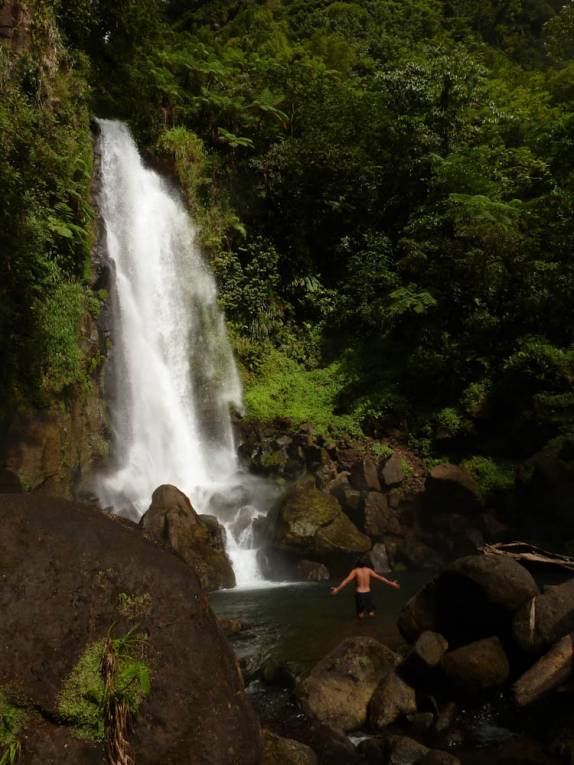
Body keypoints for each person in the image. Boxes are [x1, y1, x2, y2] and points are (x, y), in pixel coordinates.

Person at [330, 558, 400, 618]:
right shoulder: (368, 570)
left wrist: (337, 589)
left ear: (357, 564)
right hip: (368, 593)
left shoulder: (355, 571)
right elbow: (380, 578)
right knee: (371, 613)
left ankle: (360, 629)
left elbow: (346, 581)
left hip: (360, 594)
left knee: (360, 614)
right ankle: (373, 628)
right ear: (365, 564)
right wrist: (391, 583)